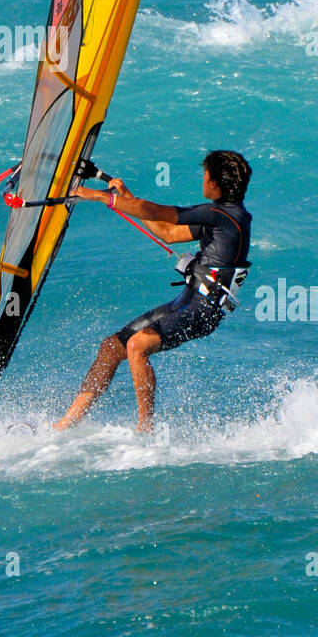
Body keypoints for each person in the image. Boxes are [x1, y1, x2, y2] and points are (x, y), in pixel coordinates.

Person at [53, 150, 252, 433]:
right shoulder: (224, 218)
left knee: (138, 345)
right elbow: (167, 232)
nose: (203, 179)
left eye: (206, 174)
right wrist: (126, 196)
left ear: (217, 182)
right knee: (112, 347)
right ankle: (64, 425)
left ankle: (144, 430)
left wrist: (100, 196)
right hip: (187, 301)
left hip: (203, 310)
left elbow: (158, 212)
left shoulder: (222, 215)